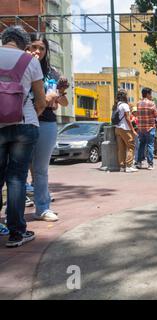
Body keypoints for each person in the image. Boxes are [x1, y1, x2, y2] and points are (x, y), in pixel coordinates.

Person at [0, 26, 46, 247]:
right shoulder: (30, 61)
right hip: (24, 124)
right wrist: (32, 115)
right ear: (23, 44)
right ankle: (16, 232)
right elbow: (41, 100)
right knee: (17, 178)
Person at [29, 33, 69, 222]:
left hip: (47, 122)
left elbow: (64, 102)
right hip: (23, 121)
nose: (37, 51)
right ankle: (13, 212)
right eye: (33, 47)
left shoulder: (52, 72)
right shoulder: (21, 67)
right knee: (16, 169)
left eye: (41, 48)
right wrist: (50, 97)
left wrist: (58, 93)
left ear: (46, 51)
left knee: (41, 169)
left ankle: (43, 208)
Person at [114, 89, 138, 173]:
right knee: (131, 146)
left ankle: (122, 166)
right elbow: (128, 118)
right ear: (125, 96)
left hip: (117, 128)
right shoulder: (125, 105)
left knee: (121, 148)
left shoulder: (116, 105)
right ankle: (128, 166)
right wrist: (133, 130)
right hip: (125, 128)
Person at [136, 87, 157, 170]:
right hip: (149, 128)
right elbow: (156, 115)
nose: (151, 96)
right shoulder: (151, 103)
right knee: (150, 145)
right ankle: (150, 164)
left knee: (141, 145)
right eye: (151, 94)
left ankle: (139, 162)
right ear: (148, 94)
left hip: (141, 128)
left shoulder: (138, 103)